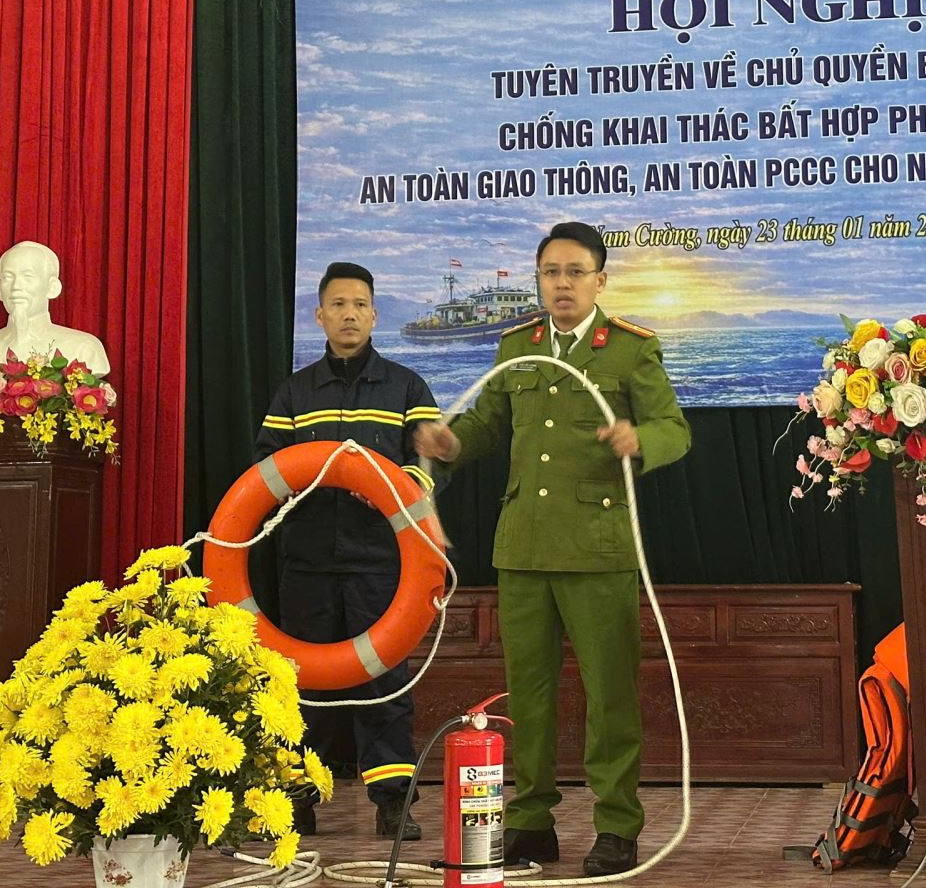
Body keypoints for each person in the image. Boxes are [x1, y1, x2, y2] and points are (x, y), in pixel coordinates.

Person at [414, 222, 690, 875]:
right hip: (523, 547)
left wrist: (640, 440)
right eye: (550, 272)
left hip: (597, 548)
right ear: (538, 280)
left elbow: (674, 429)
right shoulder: (518, 345)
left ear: (600, 280)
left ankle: (616, 826)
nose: (562, 284)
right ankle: (531, 821)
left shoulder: (629, 349)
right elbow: (488, 424)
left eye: (574, 272)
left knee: (610, 695)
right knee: (528, 695)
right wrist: (453, 443)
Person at [253, 261, 442, 840]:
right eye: (338, 304)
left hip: (379, 563)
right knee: (303, 683)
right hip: (307, 565)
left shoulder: (406, 387)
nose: (349, 314)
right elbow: (264, 469)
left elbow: (428, 468)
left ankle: (392, 802)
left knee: (384, 685)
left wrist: (385, 488)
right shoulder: (295, 392)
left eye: (359, 304)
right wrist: (311, 484)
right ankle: (297, 800)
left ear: (374, 315)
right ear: (320, 315)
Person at [0, 240, 110, 371]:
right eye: (8, 277)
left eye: (28, 276)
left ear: (53, 288)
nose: (16, 286)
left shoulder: (84, 349)